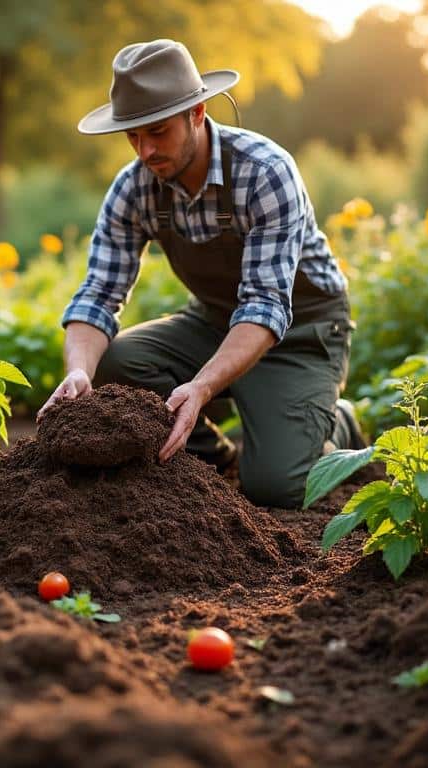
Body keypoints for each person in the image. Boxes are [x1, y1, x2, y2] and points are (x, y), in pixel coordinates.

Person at [38, 38, 367, 508]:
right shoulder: (134, 188)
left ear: (196, 112)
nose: (145, 151)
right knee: (119, 362)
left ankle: (338, 423)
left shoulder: (264, 172)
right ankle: (211, 459)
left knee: (280, 486)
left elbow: (265, 305)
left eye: (157, 132)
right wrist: (78, 372)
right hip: (216, 319)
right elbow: (97, 295)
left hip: (301, 331)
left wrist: (203, 385)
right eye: (133, 137)